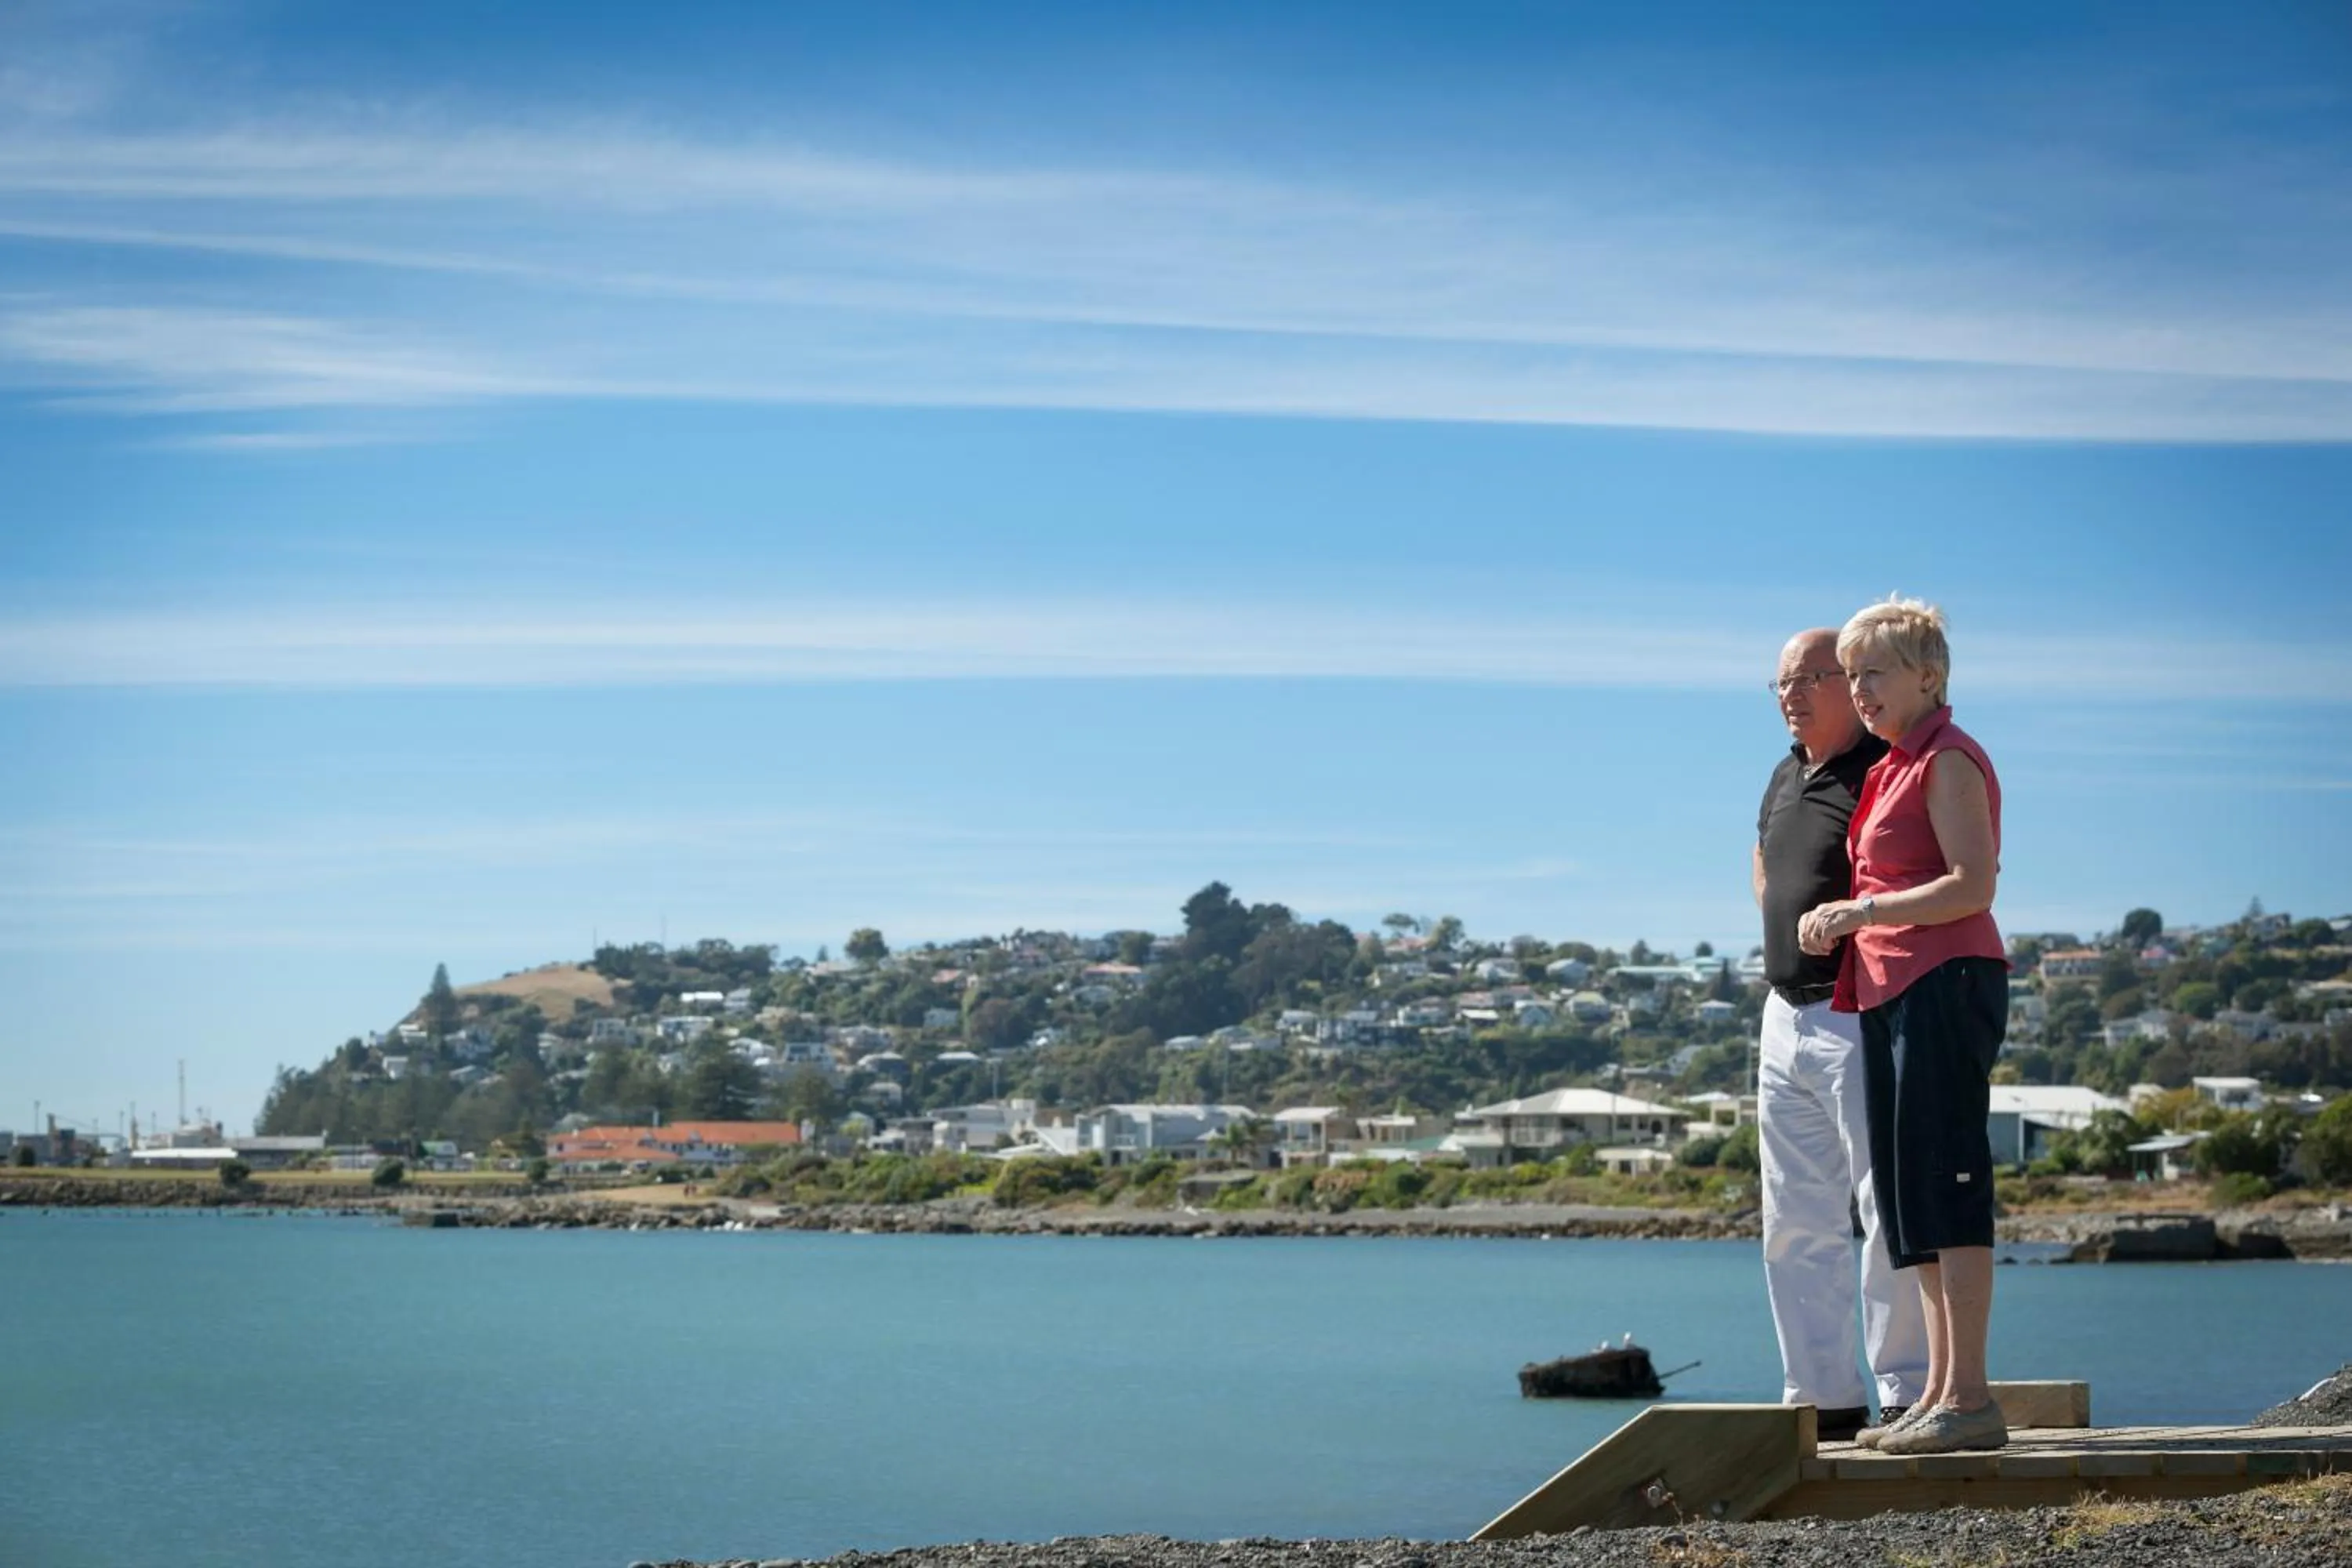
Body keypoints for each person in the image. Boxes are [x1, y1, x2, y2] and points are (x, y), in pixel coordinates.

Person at [1799, 596, 2009, 1456]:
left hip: (1946, 979)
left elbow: (1973, 885)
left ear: (1930, 674)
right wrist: (1853, 922)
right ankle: (1936, 1391)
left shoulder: (1948, 760)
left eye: (1875, 671)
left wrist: (1862, 908)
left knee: (1949, 1186)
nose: (1861, 688)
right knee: (1907, 1196)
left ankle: (1971, 1398)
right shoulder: (1889, 765)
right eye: (1852, 676)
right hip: (1888, 988)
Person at [1754, 629, 1929, 1443]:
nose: (1790, 693)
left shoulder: (1880, 770)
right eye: (1779, 682)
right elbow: (1765, 864)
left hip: (1858, 1006)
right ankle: (1822, 1398)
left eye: (1807, 677)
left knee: (1880, 1202)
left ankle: (1904, 1388)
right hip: (1783, 1011)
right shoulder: (1785, 776)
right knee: (1793, 1216)